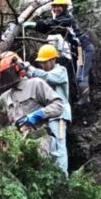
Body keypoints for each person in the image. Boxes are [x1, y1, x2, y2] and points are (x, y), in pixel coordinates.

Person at [0, 51, 64, 165]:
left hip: (40, 141)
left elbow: (59, 105)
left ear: (17, 68)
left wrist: (38, 114)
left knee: (38, 165)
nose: (4, 78)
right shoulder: (5, 97)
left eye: (6, 74)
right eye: (2, 75)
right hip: (18, 145)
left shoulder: (35, 84)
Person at [33, 0, 95, 105]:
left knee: (80, 76)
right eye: (54, 7)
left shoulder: (66, 19)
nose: (56, 9)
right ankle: (83, 97)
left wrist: (38, 24)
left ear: (64, 7)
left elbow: (52, 24)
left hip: (84, 48)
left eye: (59, 7)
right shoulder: (61, 19)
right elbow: (52, 29)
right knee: (78, 74)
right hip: (77, 49)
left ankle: (85, 102)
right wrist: (38, 26)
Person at [26, 43, 71, 175]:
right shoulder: (42, 74)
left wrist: (32, 70)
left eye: (44, 62)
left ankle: (63, 180)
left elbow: (49, 77)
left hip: (59, 116)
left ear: (53, 60)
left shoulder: (60, 71)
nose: (42, 65)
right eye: (40, 63)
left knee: (60, 148)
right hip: (48, 116)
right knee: (50, 147)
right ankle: (52, 177)